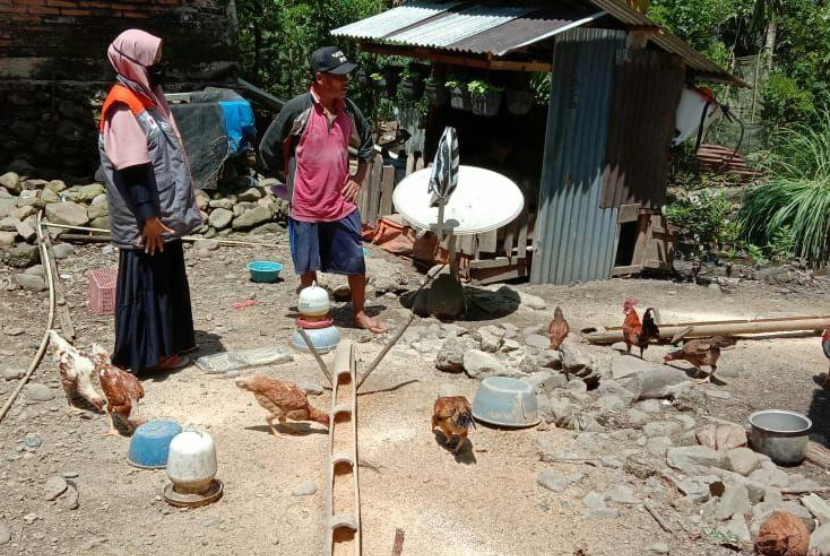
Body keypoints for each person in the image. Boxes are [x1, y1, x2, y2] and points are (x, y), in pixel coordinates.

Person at [260, 46, 386, 333]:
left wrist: (358, 178)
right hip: (305, 204)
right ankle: (314, 314)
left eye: (346, 76)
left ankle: (359, 313)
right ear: (319, 78)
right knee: (307, 264)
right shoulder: (298, 109)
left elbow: (368, 145)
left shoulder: (349, 110)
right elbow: (267, 149)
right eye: (339, 76)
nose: (346, 81)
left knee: (356, 261)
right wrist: (289, 178)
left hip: (341, 204)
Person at [98, 29, 202, 373]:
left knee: (164, 278)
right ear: (131, 62)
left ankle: (166, 346)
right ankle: (147, 355)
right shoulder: (123, 104)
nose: (159, 67)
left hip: (162, 211)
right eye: (152, 61)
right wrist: (148, 218)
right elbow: (133, 168)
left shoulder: (146, 96)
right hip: (148, 215)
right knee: (148, 282)